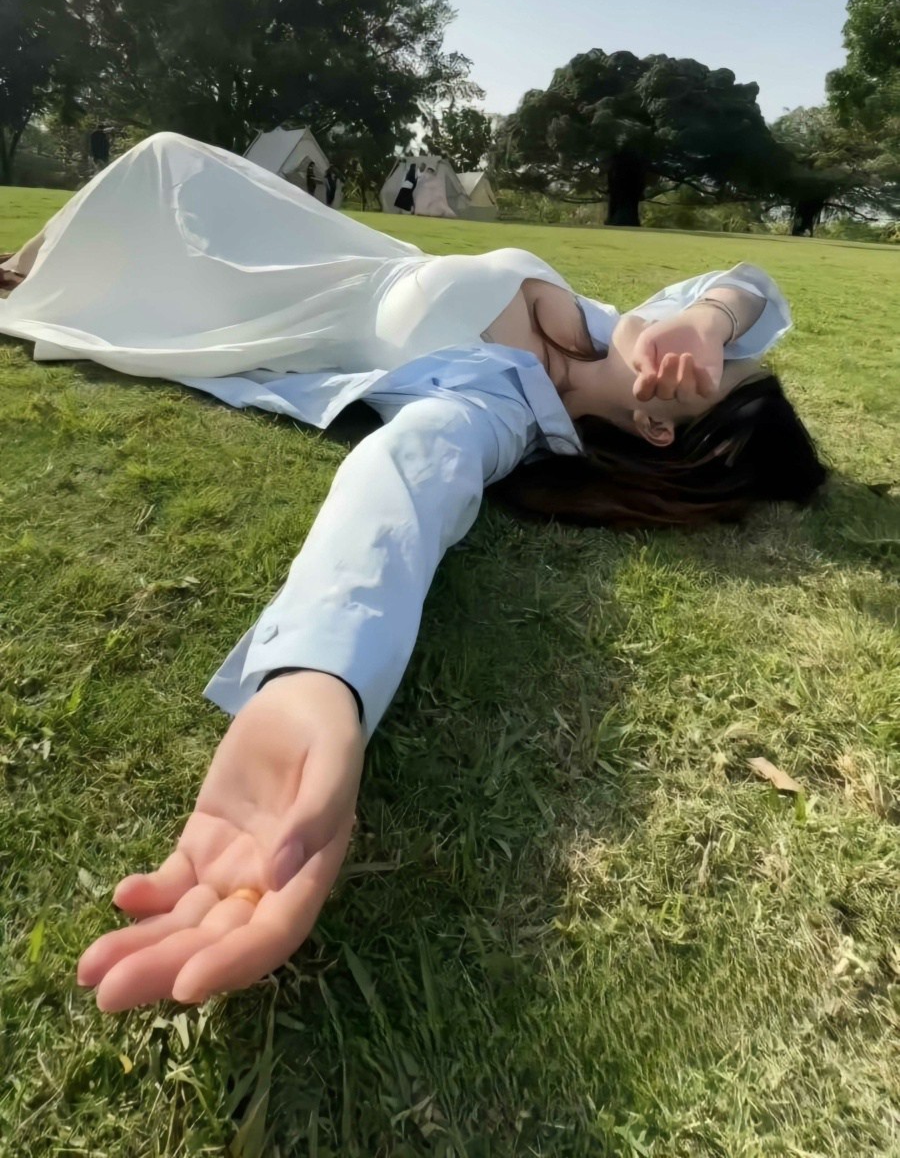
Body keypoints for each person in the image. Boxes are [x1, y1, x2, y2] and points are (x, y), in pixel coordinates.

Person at [0, 132, 827, 1013]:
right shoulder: (613, 320)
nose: (703, 347)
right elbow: (749, 284)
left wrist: (320, 678)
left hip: (255, 304)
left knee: (137, 219)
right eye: (719, 349)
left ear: (659, 427)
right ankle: (24, 263)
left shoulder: (495, 409)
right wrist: (709, 319)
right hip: (319, 240)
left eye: (711, 372)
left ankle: (25, 283)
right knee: (165, 156)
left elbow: (403, 484)